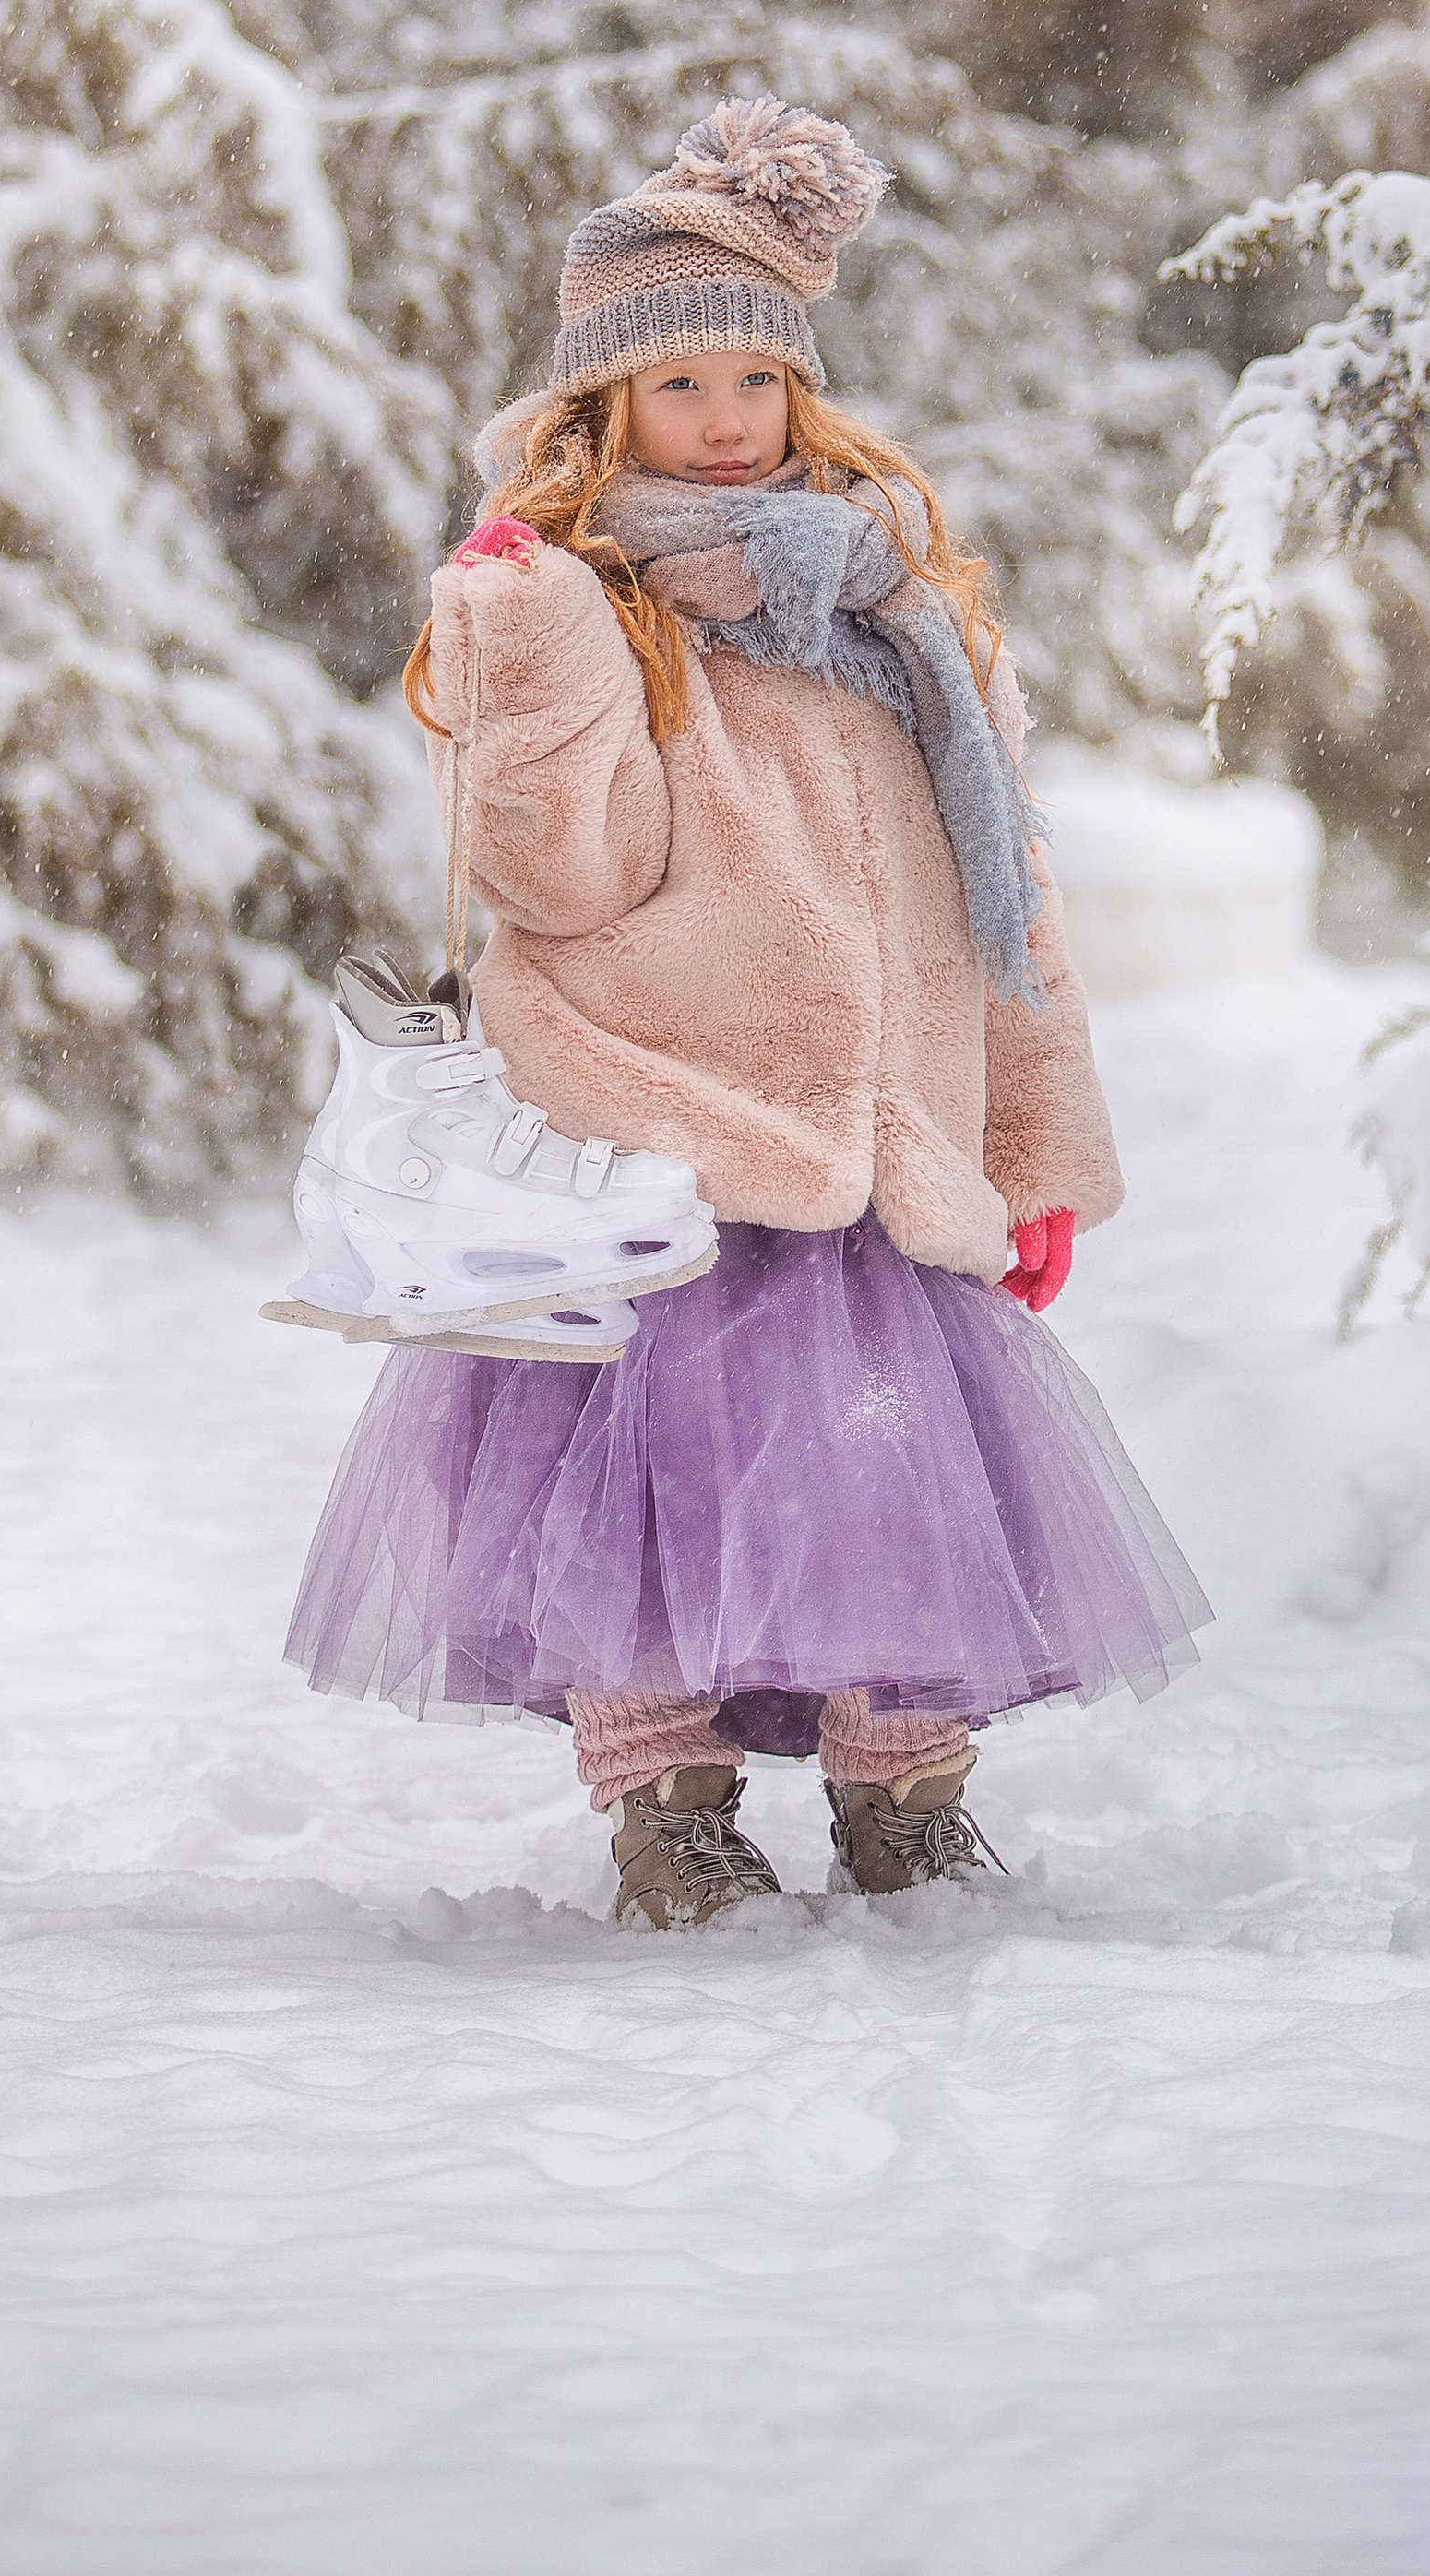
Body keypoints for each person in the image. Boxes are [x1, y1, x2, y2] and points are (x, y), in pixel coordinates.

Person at [285, 96, 1209, 1926]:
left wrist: (1026, 1147)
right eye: (674, 387)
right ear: (603, 409)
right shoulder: (589, 607)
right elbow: (566, 876)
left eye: (749, 381)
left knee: (886, 1488)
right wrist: (531, 657)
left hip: (883, 1144)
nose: (720, 420)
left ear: (800, 391)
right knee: (650, 1502)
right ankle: (670, 1808)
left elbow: (1002, 905)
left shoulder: (906, 622)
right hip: (658, 1140)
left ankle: (902, 1800)